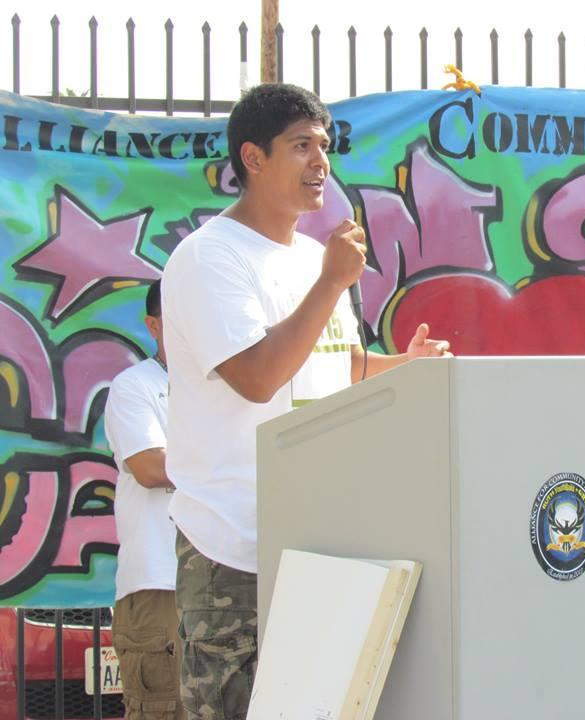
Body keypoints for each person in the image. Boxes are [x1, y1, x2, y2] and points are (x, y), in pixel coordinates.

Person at [161, 83, 451, 719]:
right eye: (301, 146)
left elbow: (327, 366)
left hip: (320, 539)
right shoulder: (210, 258)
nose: (321, 162)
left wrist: (402, 367)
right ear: (254, 158)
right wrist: (330, 283)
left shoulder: (316, 259)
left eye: (325, 146)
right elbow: (259, 377)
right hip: (234, 547)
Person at [104, 279, 184, 720]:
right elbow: (151, 468)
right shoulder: (133, 386)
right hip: (160, 587)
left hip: (233, 578)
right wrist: (231, 460)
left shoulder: (236, 387)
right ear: (153, 326)